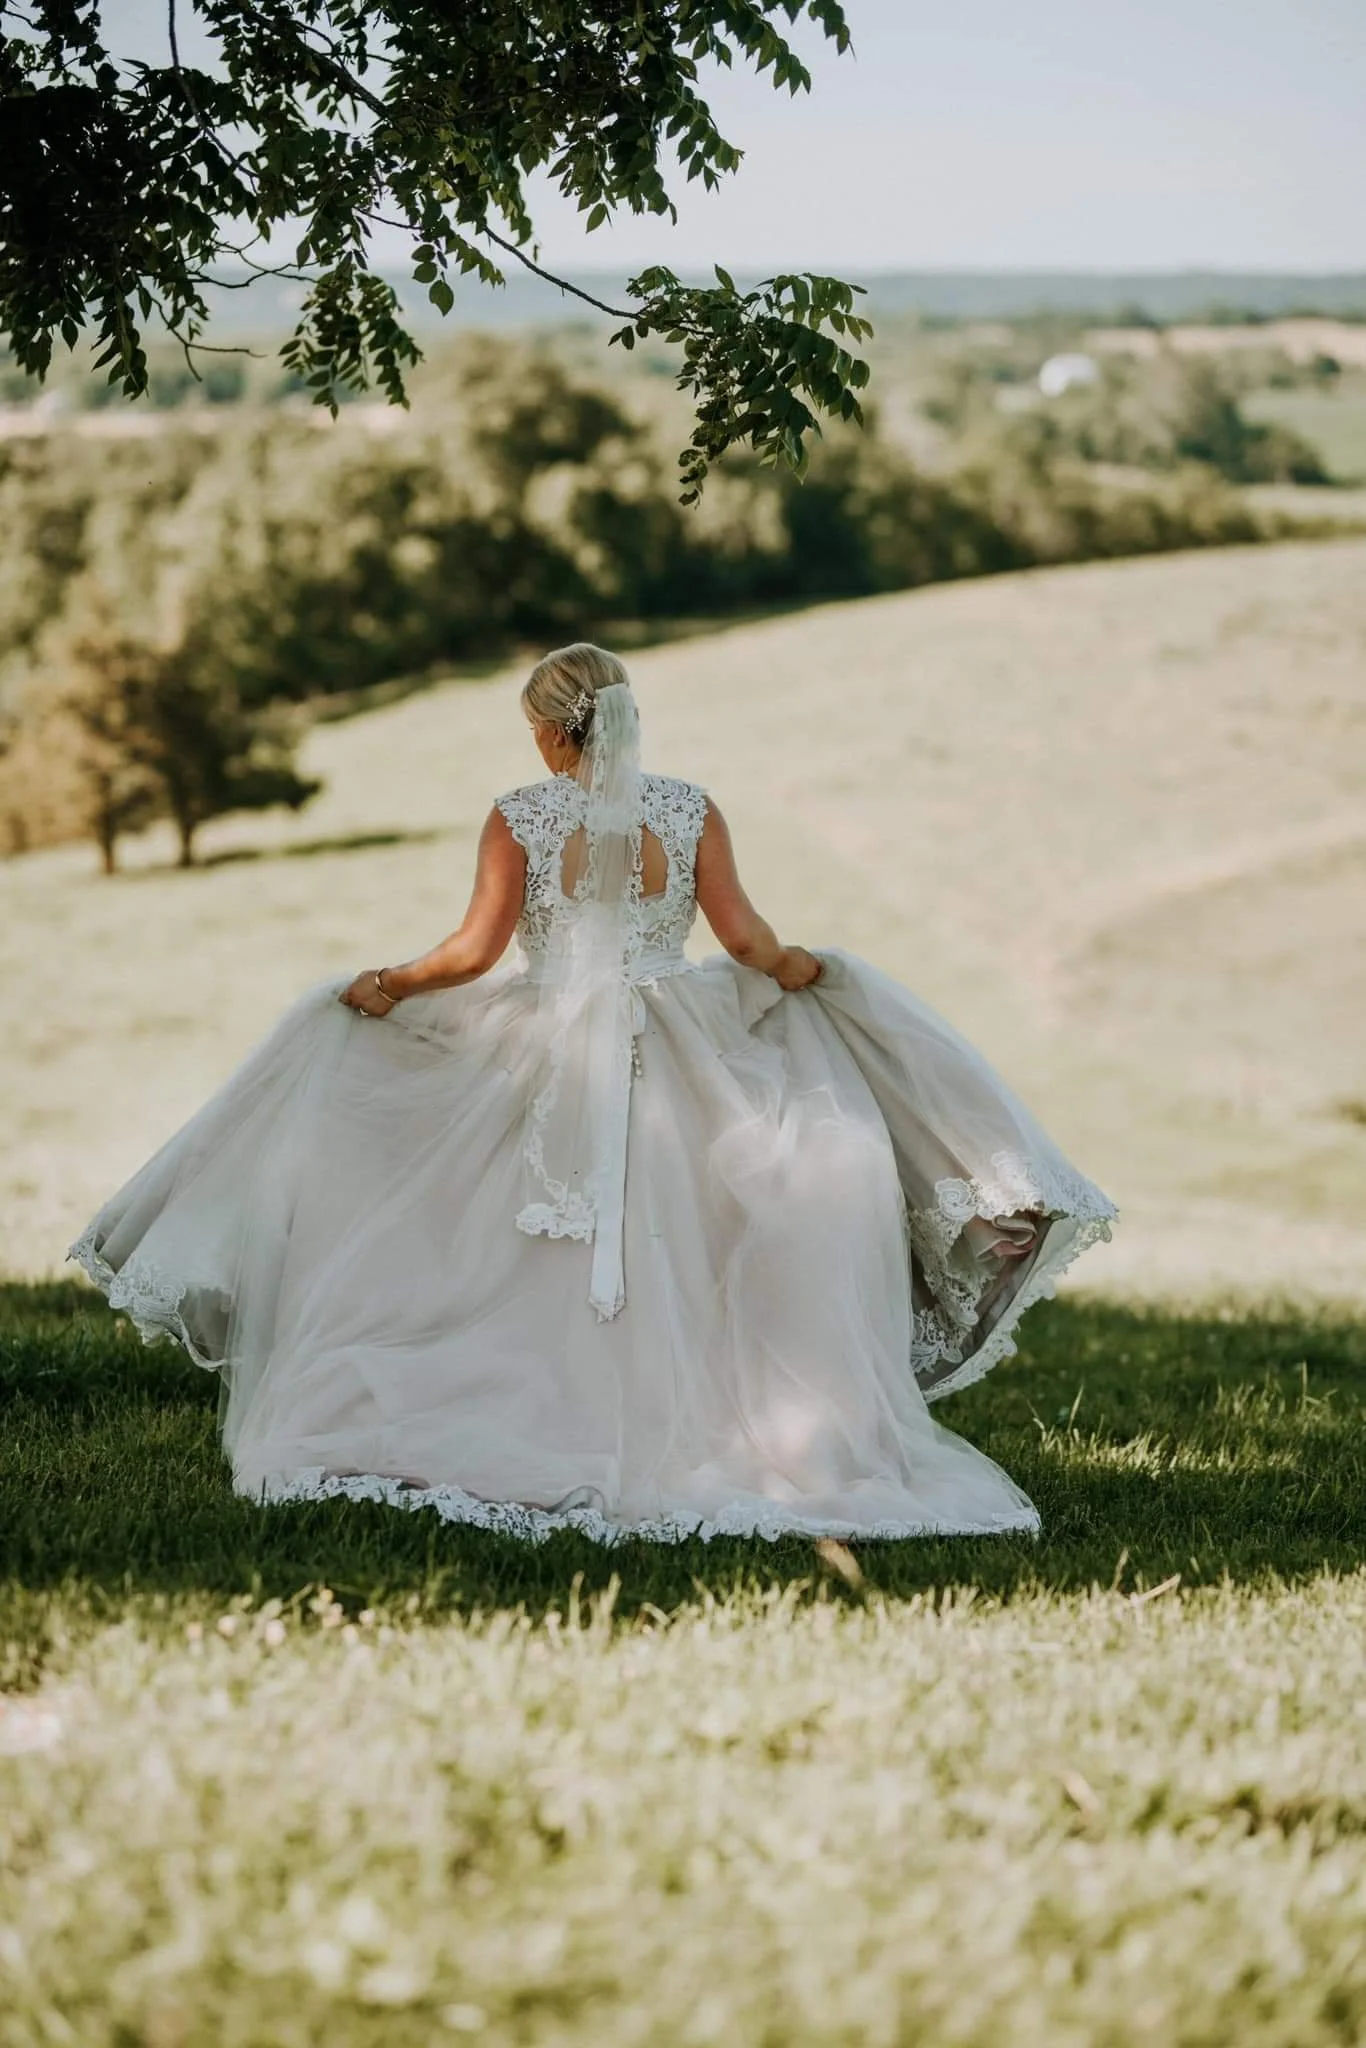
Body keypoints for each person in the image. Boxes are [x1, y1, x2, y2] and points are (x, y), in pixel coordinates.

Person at [72, 643, 1115, 1543]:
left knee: (514, 1244)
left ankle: (540, 1411)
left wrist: (386, 984)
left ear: (548, 735)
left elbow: (475, 952)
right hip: (682, 1039)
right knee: (694, 1238)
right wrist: (805, 971)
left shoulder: (519, 817)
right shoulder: (688, 809)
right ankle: (715, 1426)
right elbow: (744, 940)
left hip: (551, 1042)